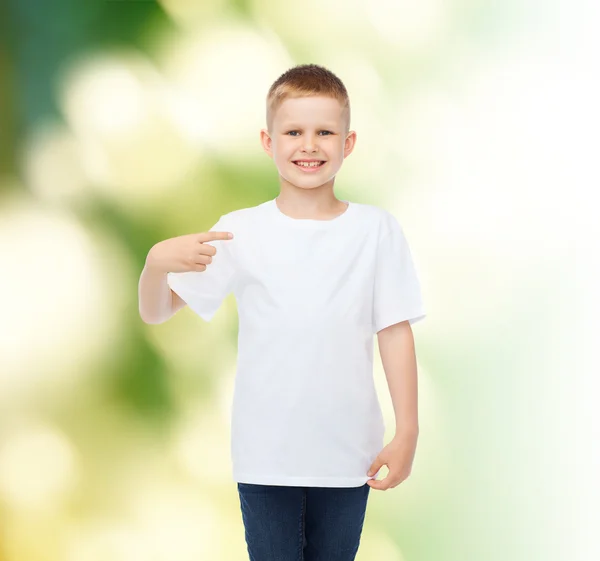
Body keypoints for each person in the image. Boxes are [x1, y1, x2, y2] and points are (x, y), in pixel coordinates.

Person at [138, 63, 426, 561]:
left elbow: (395, 331)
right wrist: (154, 266)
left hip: (349, 456)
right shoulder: (239, 232)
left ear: (348, 142)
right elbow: (157, 312)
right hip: (265, 458)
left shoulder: (376, 231)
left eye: (324, 132)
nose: (308, 145)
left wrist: (408, 430)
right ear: (268, 142)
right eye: (293, 131)